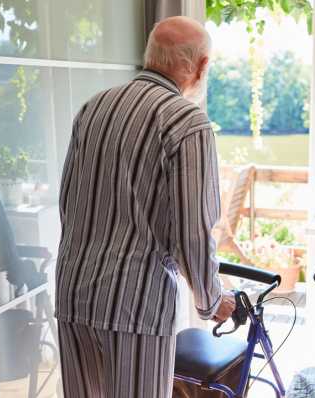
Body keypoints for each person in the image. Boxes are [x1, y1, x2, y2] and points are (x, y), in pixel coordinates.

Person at [54, 16, 236, 398]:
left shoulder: (93, 108)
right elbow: (193, 233)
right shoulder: (187, 122)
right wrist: (212, 302)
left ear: (151, 56)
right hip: (136, 307)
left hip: (73, 294)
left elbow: (67, 204)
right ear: (200, 66)